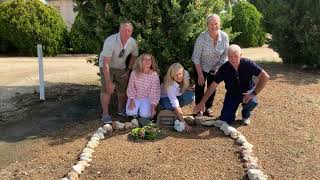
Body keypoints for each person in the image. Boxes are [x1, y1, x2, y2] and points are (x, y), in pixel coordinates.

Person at [194, 44, 270, 125]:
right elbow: (212, 86)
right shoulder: (224, 68)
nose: (233, 59)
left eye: (236, 56)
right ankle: (233, 109)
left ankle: (246, 114)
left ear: (240, 55)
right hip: (232, 94)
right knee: (226, 119)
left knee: (252, 102)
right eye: (230, 56)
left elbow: (265, 76)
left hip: (247, 93)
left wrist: (253, 93)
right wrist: (202, 102)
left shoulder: (248, 63)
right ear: (227, 56)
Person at [99, 20, 139, 124]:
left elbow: (134, 55)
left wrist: (128, 70)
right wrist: (108, 81)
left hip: (121, 67)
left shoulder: (132, 42)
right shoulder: (110, 41)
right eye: (124, 30)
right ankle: (105, 114)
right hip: (106, 66)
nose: (126, 33)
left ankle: (121, 110)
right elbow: (106, 63)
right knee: (107, 90)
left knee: (123, 89)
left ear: (131, 31)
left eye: (129, 31)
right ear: (119, 30)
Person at [192, 13, 229, 117]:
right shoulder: (201, 38)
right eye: (211, 24)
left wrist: (218, 67)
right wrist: (200, 75)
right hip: (201, 65)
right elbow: (196, 58)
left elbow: (225, 55)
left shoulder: (225, 37)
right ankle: (199, 108)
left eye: (216, 23)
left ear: (220, 24)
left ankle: (208, 107)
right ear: (207, 25)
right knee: (200, 86)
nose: (214, 26)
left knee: (212, 86)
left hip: (216, 66)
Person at [159, 63, 195, 132]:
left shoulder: (186, 74)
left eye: (180, 74)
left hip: (176, 96)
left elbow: (183, 86)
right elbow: (175, 104)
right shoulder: (170, 86)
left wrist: (188, 88)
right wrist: (184, 124)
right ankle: (169, 111)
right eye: (176, 75)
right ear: (172, 75)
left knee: (190, 96)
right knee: (169, 105)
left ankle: (177, 113)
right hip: (165, 97)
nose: (179, 76)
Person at [126, 53, 161, 119]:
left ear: (152, 62)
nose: (147, 61)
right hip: (135, 96)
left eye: (149, 60)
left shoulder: (154, 75)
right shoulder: (134, 73)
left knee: (146, 115)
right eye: (145, 59)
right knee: (130, 113)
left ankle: (142, 113)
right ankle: (136, 113)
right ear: (140, 61)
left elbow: (154, 92)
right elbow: (131, 87)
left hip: (147, 97)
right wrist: (131, 100)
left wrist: (153, 107)